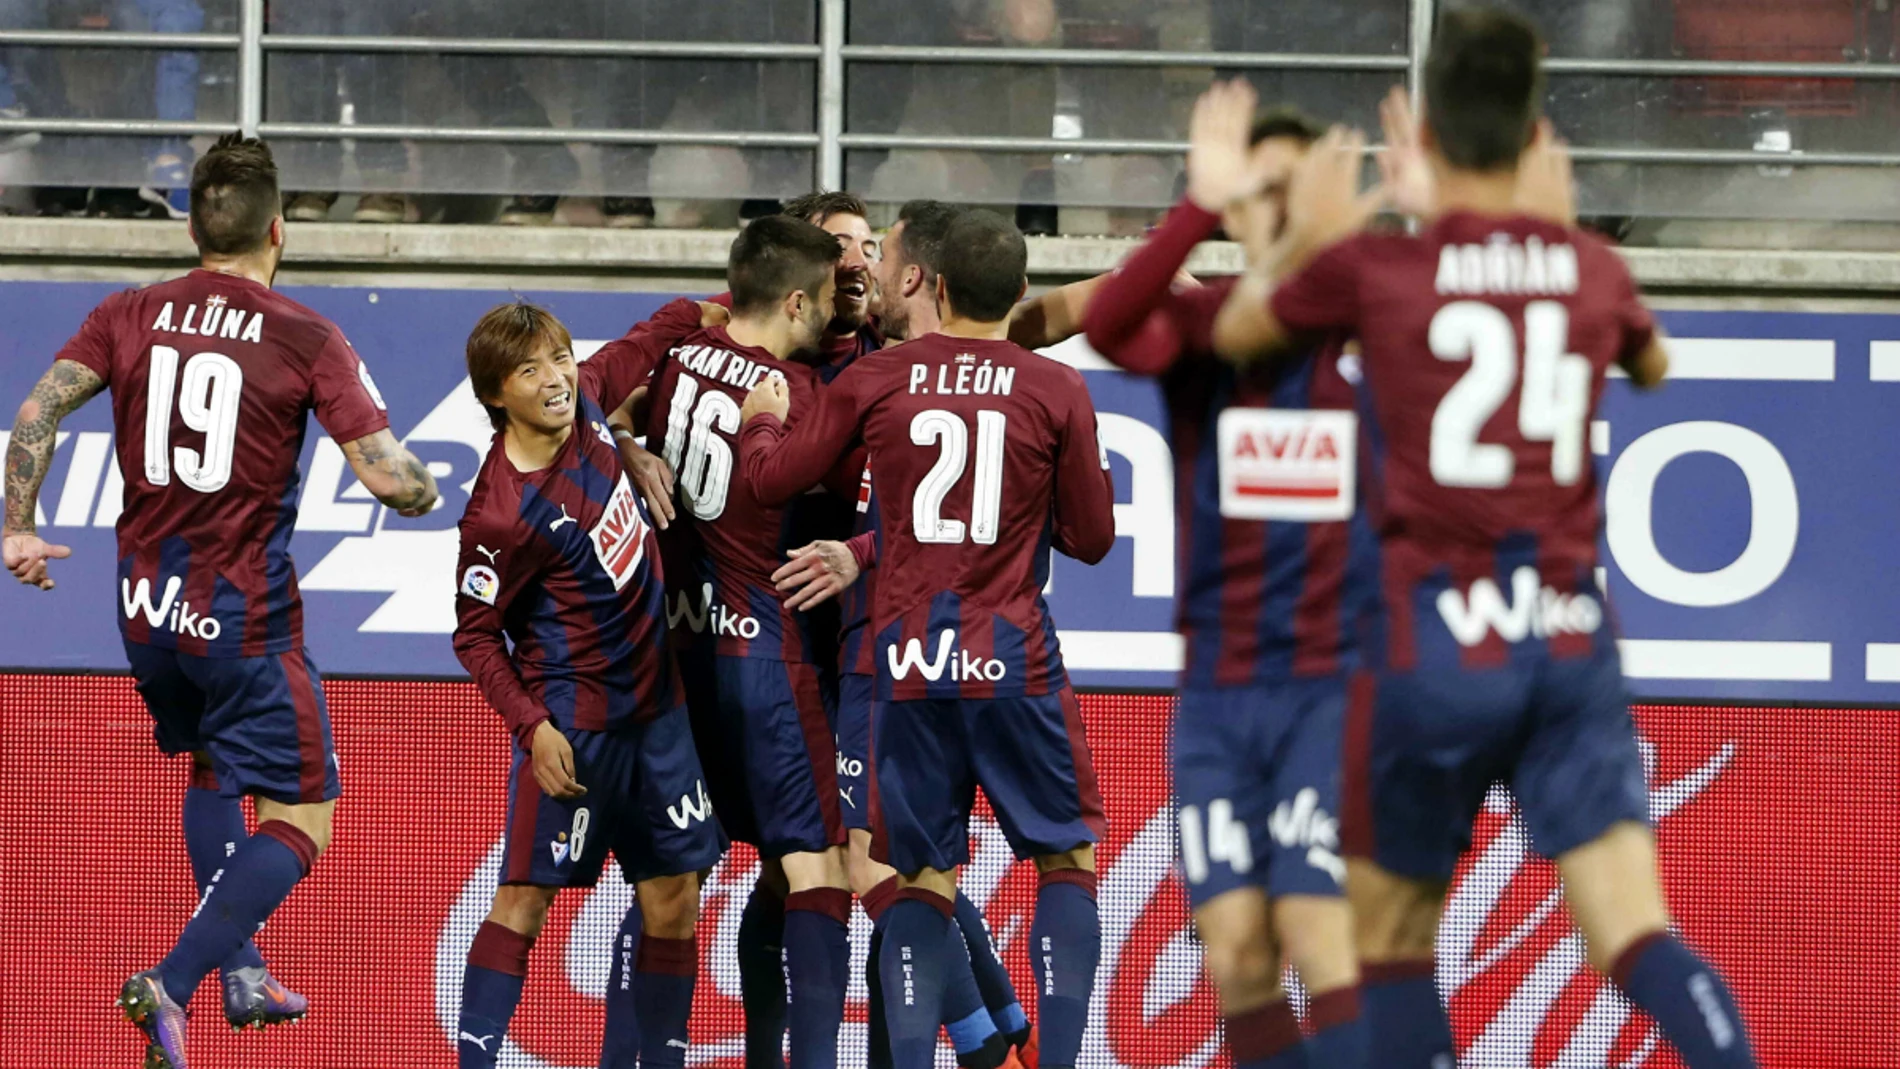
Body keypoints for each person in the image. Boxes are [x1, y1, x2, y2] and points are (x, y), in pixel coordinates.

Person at [1209, 8, 1756, 1069]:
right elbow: (1654, 367)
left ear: (1423, 138)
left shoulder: (1379, 269)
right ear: (1536, 135)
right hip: (1566, 636)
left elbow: (1238, 333)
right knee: (1634, 928)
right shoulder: (1590, 269)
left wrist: (1313, 232)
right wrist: (1557, 234)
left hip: (1429, 642)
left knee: (1389, 940)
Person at [0, 132, 439, 1069]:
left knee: (210, 767)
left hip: (146, 613)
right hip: (243, 619)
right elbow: (389, 480)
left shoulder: (126, 311)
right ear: (279, 230)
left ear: (194, 229)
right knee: (304, 814)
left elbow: (36, 409)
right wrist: (425, 486)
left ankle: (244, 969)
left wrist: (18, 527)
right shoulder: (306, 334)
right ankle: (173, 980)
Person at [734, 209, 1117, 1069]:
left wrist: (761, 419)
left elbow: (770, 479)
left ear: (934, 286)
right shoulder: (1056, 388)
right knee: (1065, 857)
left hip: (904, 659)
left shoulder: (879, 377)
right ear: (1019, 291)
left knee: (917, 880)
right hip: (1013, 655)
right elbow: (1092, 539)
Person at [1082, 81, 1371, 1069]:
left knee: (1319, 932)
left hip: (1333, 683)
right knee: (1239, 957)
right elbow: (1112, 325)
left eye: (1295, 186)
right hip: (1218, 689)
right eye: (1258, 189)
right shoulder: (1205, 327)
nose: (1277, 205)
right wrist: (1198, 203)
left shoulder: (1371, 320)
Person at [598, 214, 856, 1069]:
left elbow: (596, 408)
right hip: (765, 657)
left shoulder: (673, 360)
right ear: (795, 302)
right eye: (826, 298)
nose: (834, 313)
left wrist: (627, 443)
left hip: (672, 657)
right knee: (816, 869)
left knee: (670, 881)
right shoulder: (800, 395)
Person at [449, 301, 724, 1069]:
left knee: (674, 896)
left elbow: (650, 336)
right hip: (577, 728)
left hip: (660, 717)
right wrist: (532, 726)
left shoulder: (591, 400)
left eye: (560, 357)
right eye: (530, 368)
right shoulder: (500, 515)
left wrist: (718, 309)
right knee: (525, 901)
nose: (556, 378)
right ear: (496, 393)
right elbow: (474, 634)